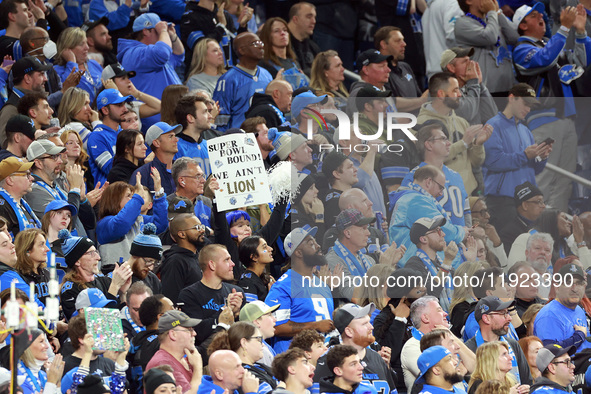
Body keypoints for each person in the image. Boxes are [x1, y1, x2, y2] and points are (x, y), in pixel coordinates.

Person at [512, 2, 589, 213]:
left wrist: (581, 33)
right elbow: (544, 59)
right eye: (534, 15)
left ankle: (556, 236)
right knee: (544, 180)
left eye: (541, 13)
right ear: (523, 25)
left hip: (566, 117)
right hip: (543, 120)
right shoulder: (521, 49)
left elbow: (581, 64)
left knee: (564, 183)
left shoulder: (553, 43)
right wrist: (563, 29)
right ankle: (535, 233)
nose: (542, 17)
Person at [483, 84, 551, 230]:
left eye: (530, 106)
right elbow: (493, 161)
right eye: (526, 103)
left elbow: (534, 170)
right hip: (502, 200)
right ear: (512, 98)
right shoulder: (493, 125)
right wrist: (525, 155)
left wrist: (541, 157)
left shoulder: (525, 131)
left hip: (525, 201)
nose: (528, 109)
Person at [417, 72, 491, 196]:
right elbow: (430, 160)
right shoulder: (421, 124)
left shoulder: (462, 122)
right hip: (442, 197)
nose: (460, 94)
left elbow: (476, 162)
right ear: (441, 94)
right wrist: (463, 143)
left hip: (469, 194)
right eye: (455, 90)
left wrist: (478, 145)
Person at [265, 226, 335, 353]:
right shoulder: (282, 287)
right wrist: (315, 326)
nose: (318, 246)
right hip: (294, 360)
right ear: (298, 253)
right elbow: (277, 326)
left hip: (322, 357)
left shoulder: (322, 285)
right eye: (311, 244)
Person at [389, 165, 467, 266]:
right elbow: (445, 232)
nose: (441, 194)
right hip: (418, 267)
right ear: (428, 182)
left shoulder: (410, 198)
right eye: (440, 187)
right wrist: (462, 232)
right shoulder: (416, 201)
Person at [117, 13, 184, 129]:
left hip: (171, 120)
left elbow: (179, 55)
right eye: (158, 30)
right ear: (146, 31)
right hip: (157, 126)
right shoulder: (134, 53)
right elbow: (163, 53)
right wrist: (163, 32)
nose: (164, 33)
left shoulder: (154, 51)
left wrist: (172, 36)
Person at [314, 303, 396, 394]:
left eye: (369, 322)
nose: (371, 327)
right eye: (364, 324)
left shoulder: (377, 358)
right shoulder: (328, 360)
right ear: (349, 331)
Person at [400, 123, 471, 226]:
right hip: (432, 240)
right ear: (429, 144)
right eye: (443, 139)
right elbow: (408, 215)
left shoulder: (456, 176)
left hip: (459, 239)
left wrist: (467, 236)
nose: (449, 143)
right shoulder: (413, 177)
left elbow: (466, 211)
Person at [177, 244, 245, 345]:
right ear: (212, 265)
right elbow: (198, 333)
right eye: (227, 260)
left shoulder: (236, 292)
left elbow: (245, 333)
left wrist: (237, 314)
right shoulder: (189, 295)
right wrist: (226, 310)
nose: (233, 264)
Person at [58, 229, 132, 319]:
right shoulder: (69, 290)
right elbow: (99, 322)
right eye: (91, 253)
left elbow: (119, 316)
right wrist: (114, 286)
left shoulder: (102, 280)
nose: (98, 257)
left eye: (96, 252)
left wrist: (122, 293)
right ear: (77, 261)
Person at [25, 139, 92, 238]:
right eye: (54, 157)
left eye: (59, 156)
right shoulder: (34, 191)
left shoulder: (58, 186)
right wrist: (74, 190)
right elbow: (65, 225)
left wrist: (82, 200)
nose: (60, 161)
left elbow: (90, 224)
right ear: (38, 163)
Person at [96, 177, 168, 269]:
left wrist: (158, 192)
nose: (133, 199)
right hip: (114, 278)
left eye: (133, 196)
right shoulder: (104, 223)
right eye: (129, 196)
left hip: (138, 274)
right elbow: (122, 225)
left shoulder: (138, 219)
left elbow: (160, 224)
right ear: (115, 199)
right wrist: (137, 198)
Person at [454, 0, 518, 95]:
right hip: (484, 91)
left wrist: (498, 13)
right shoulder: (462, 24)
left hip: (508, 86)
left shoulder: (493, 19)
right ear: (469, 1)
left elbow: (515, 38)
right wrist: (492, 12)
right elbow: (490, 37)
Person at [465, 296, 533, 385]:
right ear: (486, 318)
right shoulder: (469, 349)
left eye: (508, 313)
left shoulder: (513, 344)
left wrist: (526, 389)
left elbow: (527, 382)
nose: (509, 318)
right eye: (503, 313)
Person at [213, 32, 273, 131]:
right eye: (255, 43)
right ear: (242, 50)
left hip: (265, 134)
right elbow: (220, 118)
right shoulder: (227, 80)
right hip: (240, 137)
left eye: (261, 43)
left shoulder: (266, 74)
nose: (260, 47)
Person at [404, 217, 461, 310]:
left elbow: (462, 287)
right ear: (423, 239)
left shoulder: (440, 262)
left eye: (441, 230)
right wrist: (447, 262)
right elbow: (430, 295)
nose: (443, 234)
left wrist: (470, 259)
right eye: (437, 231)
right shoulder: (413, 265)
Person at [533, 263, 591, 352]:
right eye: (569, 282)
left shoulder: (579, 309)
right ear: (557, 287)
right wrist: (578, 337)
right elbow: (549, 352)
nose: (574, 289)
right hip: (570, 365)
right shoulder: (549, 315)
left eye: (579, 283)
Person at [401, 296, 455, 391]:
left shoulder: (453, 341)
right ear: (426, 318)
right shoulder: (412, 346)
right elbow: (443, 376)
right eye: (439, 310)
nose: (445, 314)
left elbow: (474, 367)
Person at [208, 321, 278, 394]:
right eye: (259, 339)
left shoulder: (260, 366)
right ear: (244, 342)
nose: (263, 345)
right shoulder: (243, 376)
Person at [325, 209, 377, 302]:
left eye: (368, 228)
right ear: (347, 233)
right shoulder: (333, 261)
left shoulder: (369, 260)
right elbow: (355, 296)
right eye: (363, 229)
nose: (368, 233)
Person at [146, 310, 203, 393]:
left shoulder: (187, 359)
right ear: (173, 334)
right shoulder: (163, 363)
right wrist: (198, 367)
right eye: (189, 329)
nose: (194, 333)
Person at [86, 88, 133, 186]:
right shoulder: (97, 137)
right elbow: (110, 169)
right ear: (105, 110)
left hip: (128, 188)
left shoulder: (124, 133)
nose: (125, 109)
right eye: (119, 105)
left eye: (124, 104)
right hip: (109, 195)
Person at [0, 57, 50, 147]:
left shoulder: (38, 102)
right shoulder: (11, 109)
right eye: (41, 74)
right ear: (27, 78)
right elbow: (6, 145)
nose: (45, 79)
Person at [440, 47, 498, 125]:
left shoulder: (470, 87)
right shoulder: (444, 90)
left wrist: (480, 85)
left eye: (470, 60)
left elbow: (492, 116)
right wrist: (474, 82)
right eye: (465, 62)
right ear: (452, 68)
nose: (471, 64)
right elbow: (467, 114)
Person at [159, 214, 206, 304]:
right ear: (182, 234)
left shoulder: (197, 257)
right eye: (197, 227)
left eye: (201, 226)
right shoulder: (175, 261)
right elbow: (171, 298)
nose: (202, 230)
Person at [102, 63, 162, 129]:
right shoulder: (104, 107)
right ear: (110, 82)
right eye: (123, 78)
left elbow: (159, 107)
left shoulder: (131, 105)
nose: (129, 81)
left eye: (128, 78)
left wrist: (137, 93)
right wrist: (113, 92)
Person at [374, 26, 424, 100]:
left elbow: (419, 96)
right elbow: (391, 104)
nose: (404, 44)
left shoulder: (405, 67)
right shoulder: (377, 71)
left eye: (403, 40)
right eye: (398, 41)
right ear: (383, 44)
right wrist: (421, 101)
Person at [54, 27, 103, 102]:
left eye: (86, 42)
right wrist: (72, 62)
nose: (87, 47)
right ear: (67, 49)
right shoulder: (56, 70)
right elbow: (67, 92)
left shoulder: (93, 64)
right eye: (81, 44)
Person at [130, 122, 180, 194]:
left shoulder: (182, 169)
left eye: (175, 136)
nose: (176, 140)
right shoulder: (142, 174)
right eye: (170, 136)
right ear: (156, 143)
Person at [259, 17, 308, 88]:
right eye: (276, 31)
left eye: (285, 30)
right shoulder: (264, 64)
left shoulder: (294, 62)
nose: (282, 33)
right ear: (268, 36)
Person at [498, 182, 546, 254]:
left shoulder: (545, 225)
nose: (544, 206)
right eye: (539, 202)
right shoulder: (509, 233)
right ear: (525, 205)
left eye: (543, 202)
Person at [0, 157, 40, 238]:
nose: (32, 178)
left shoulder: (22, 203)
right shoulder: (2, 208)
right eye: (27, 175)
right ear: (10, 180)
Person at [16, 328, 65, 394]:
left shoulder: (43, 374)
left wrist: (58, 383)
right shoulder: (17, 378)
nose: (47, 346)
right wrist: (51, 383)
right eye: (41, 341)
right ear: (27, 346)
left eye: (45, 341)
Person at [173, 95, 212, 177]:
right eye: (205, 112)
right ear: (190, 118)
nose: (210, 116)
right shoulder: (175, 147)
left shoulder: (210, 145)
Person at [40, 200, 75, 281]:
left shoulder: (73, 245)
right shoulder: (36, 244)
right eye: (59, 212)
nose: (65, 217)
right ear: (48, 216)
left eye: (68, 215)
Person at [14, 228, 51, 304]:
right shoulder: (18, 278)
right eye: (41, 245)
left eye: (45, 244)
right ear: (28, 250)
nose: (47, 249)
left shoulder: (47, 273)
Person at [239, 301, 280, 368]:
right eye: (269, 315)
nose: (274, 319)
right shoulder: (260, 350)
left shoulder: (264, 346)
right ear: (257, 322)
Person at [238, 236, 275, 302]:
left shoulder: (264, 278)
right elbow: (251, 311)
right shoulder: (247, 282)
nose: (271, 249)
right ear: (254, 257)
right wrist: (271, 296)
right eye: (264, 247)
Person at [287, 2, 320, 77]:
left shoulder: (313, 47)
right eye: (309, 17)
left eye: (314, 17)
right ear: (295, 19)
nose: (314, 21)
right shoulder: (282, 44)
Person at [128, 223, 162, 293]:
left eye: (155, 263)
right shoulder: (117, 277)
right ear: (135, 255)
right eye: (149, 261)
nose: (151, 268)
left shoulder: (153, 279)